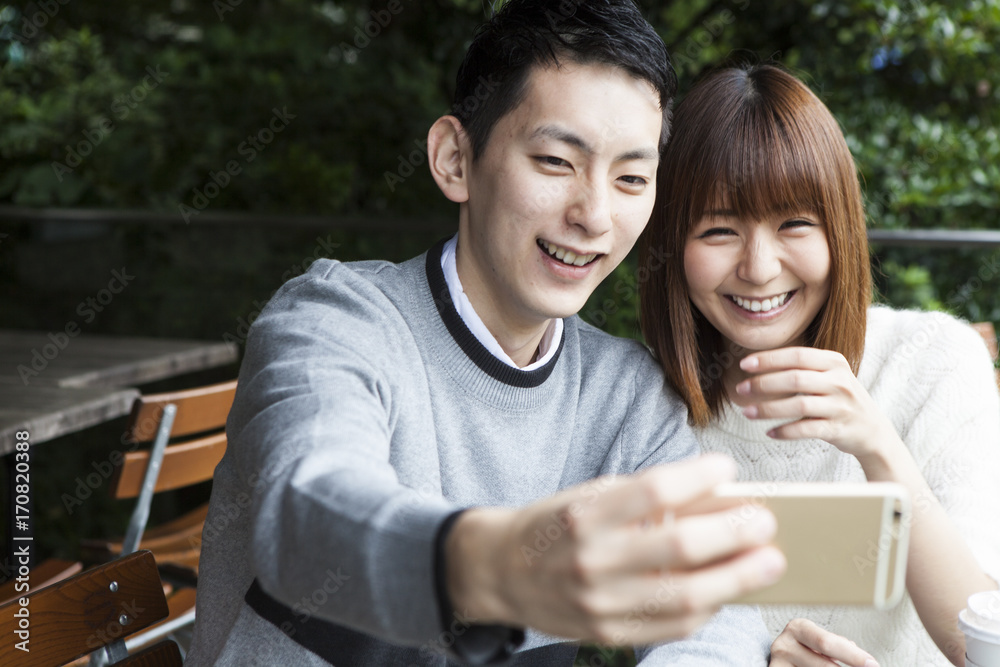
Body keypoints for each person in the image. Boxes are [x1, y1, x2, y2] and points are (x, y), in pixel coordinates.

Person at [186, 3, 788, 665]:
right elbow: (310, 515)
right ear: (455, 159)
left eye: (631, 178)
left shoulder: (628, 398)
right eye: (557, 160)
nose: (594, 214)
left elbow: (714, 617)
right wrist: (497, 561)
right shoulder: (334, 321)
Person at [638, 62, 1000, 667]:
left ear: (840, 229)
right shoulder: (646, 407)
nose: (758, 267)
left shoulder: (934, 363)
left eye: (795, 224)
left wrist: (877, 445)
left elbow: (981, 645)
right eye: (719, 229)